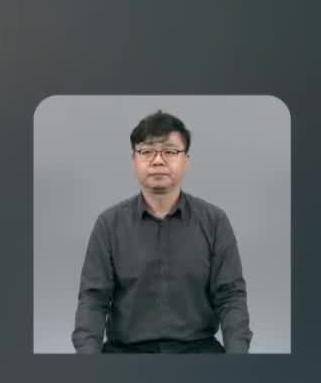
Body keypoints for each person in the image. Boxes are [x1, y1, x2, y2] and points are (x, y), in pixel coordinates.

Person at [72, 111, 252, 354]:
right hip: (125, 354)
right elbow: (93, 301)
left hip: (198, 352)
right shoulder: (109, 224)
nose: (158, 160)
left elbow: (231, 298)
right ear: (134, 160)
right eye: (146, 151)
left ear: (186, 160)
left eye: (170, 151)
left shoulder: (214, 222)